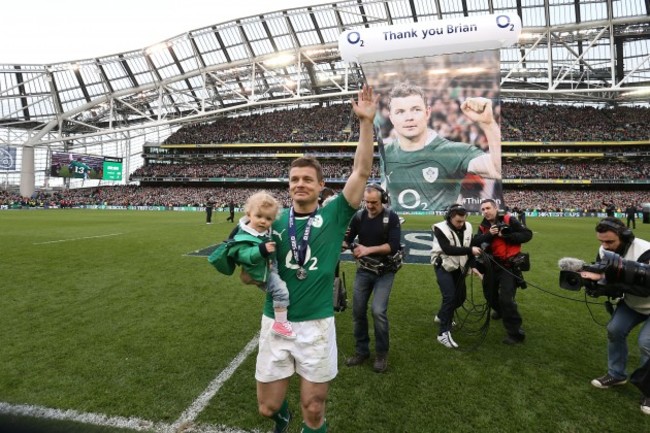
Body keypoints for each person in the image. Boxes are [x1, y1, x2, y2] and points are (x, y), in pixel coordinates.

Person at [255, 85, 377, 433]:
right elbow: (250, 269)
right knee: (267, 407)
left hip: (317, 325)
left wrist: (365, 123)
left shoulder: (335, 214)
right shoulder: (272, 220)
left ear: (322, 186)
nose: (300, 184)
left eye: (308, 179)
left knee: (314, 407)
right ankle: (282, 416)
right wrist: (250, 272)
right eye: (294, 179)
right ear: (288, 185)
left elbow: (361, 172)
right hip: (276, 323)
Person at [379, 82, 501, 212]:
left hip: (440, 231)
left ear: (427, 113)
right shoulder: (383, 155)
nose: (409, 117)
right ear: (391, 118)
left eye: (416, 110)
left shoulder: (452, 152)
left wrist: (489, 124)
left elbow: (497, 169)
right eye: (400, 112)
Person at [208, 191, 296, 339]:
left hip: (269, 266)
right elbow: (243, 255)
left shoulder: (260, 229)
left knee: (279, 289)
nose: (263, 221)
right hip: (260, 271)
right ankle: (281, 324)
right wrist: (261, 250)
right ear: (249, 214)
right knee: (281, 292)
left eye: (268, 219)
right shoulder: (243, 235)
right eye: (259, 216)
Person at [588, 217, 650, 415]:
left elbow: (644, 289)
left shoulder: (644, 250)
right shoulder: (604, 250)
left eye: (609, 242)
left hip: (645, 298)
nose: (605, 246)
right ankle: (617, 375)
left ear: (624, 237)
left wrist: (608, 282)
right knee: (615, 330)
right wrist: (593, 284)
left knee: (646, 342)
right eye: (601, 242)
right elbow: (603, 276)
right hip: (632, 304)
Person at [343, 184, 401, 372]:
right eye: (366, 202)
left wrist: (367, 249)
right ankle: (362, 351)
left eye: (374, 202)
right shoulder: (359, 216)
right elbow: (348, 239)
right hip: (364, 270)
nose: (369, 206)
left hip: (385, 271)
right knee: (358, 311)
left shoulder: (390, 217)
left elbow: (393, 245)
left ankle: (381, 354)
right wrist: (342, 244)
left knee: (378, 311)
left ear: (383, 200)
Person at [474, 198, 532, 345]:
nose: (485, 212)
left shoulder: (509, 219)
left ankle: (516, 334)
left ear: (495, 208)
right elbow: (475, 242)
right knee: (489, 295)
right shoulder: (483, 225)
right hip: (491, 265)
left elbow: (527, 235)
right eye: (483, 209)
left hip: (508, 266)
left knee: (506, 299)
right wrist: (489, 235)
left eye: (488, 208)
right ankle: (500, 310)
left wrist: (506, 235)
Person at [430, 203, 481, 349]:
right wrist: (470, 250)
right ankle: (443, 333)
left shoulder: (468, 226)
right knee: (450, 297)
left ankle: (441, 316)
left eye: (463, 220)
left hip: (459, 266)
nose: (461, 224)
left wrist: (472, 265)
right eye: (458, 221)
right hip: (443, 265)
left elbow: (470, 244)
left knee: (460, 297)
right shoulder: (440, 228)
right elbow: (447, 249)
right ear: (449, 218)